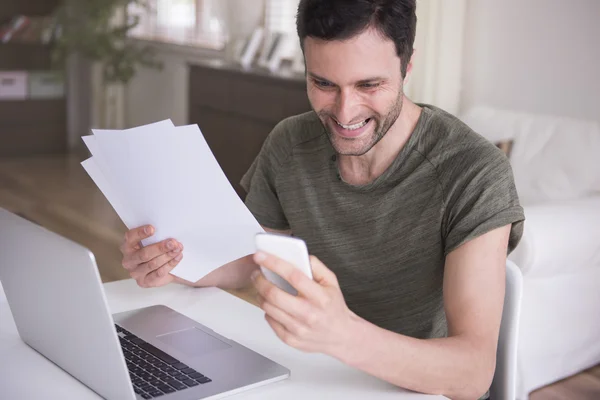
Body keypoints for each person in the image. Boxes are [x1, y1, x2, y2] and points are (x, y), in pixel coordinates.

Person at [119, 1, 525, 398]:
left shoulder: (473, 171)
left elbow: (473, 374)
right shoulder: (290, 143)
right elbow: (252, 259)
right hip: (315, 376)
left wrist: (343, 336)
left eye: (369, 84)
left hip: (416, 389)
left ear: (407, 66)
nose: (345, 113)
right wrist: (177, 264)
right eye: (324, 84)